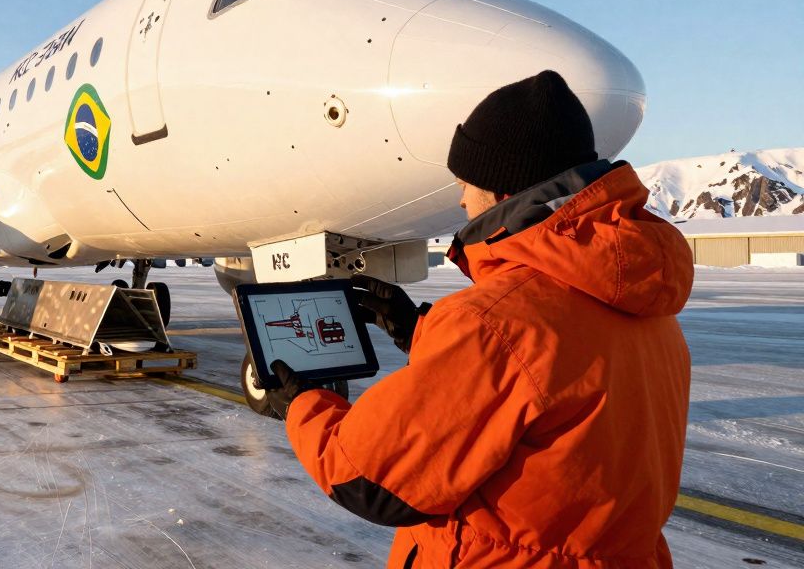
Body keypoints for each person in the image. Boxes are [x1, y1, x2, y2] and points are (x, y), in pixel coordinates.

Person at [270, 71, 693, 568]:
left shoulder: (493, 323)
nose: (461, 200)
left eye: (466, 182)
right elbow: (541, 379)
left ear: (501, 189)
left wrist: (302, 406)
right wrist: (420, 331)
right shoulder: (644, 305)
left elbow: (370, 481)